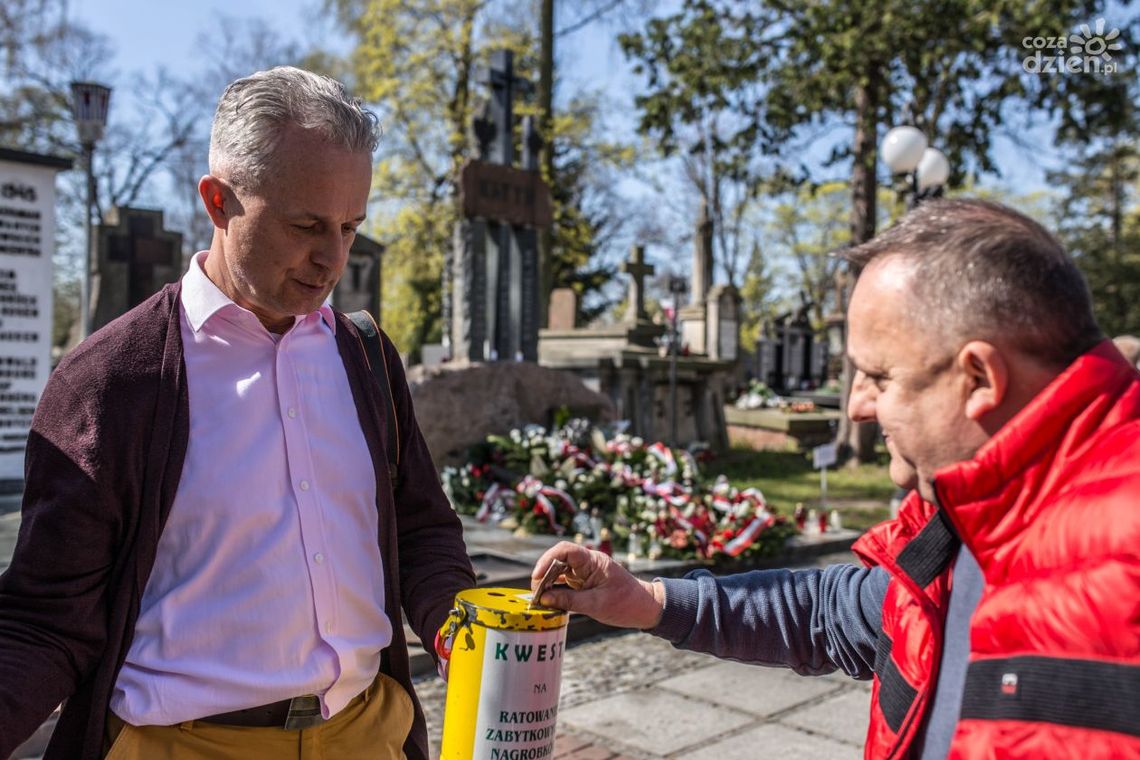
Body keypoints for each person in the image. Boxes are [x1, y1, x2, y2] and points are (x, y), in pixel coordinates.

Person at [532, 199, 1140, 759]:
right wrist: (648, 601)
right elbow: (841, 613)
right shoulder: (971, 511)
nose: (855, 408)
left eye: (877, 375)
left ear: (979, 378)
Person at [0, 67, 474, 760]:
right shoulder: (110, 380)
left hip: (367, 733)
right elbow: (44, 621)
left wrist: (456, 628)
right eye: (307, 225)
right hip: (181, 745)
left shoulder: (365, 358)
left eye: (350, 226)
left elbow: (421, 527)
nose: (332, 258)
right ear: (219, 202)